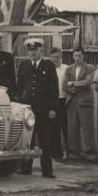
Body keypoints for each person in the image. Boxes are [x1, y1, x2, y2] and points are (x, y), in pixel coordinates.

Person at [16, 38, 59, 178]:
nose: (33, 53)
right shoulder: (23, 65)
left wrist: (53, 108)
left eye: (35, 50)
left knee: (45, 141)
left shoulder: (49, 66)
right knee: (27, 140)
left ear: (41, 50)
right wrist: (19, 105)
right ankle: (25, 168)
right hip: (28, 110)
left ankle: (47, 170)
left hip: (44, 110)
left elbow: (54, 89)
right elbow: (20, 87)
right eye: (30, 50)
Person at [63, 48, 96, 160]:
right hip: (72, 101)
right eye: (75, 56)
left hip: (85, 102)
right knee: (72, 127)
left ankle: (90, 153)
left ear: (83, 56)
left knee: (87, 128)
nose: (77, 58)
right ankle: (73, 152)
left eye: (79, 56)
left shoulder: (90, 68)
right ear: (73, 56)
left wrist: (72, 83)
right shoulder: (68, 69)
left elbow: (87, 83)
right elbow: (64, 85)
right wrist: (75, 88)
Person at [49, 48, 68, 159]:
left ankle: (70, 152)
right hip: (53, 102)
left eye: (58, 57)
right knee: (54, 128)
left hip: (65, 101)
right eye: (54, 57)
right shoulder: (48, 68)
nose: (56, 59)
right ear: (50, 57)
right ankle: (56, 153)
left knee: (67, 127)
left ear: (61, 57)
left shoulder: (66, 68)